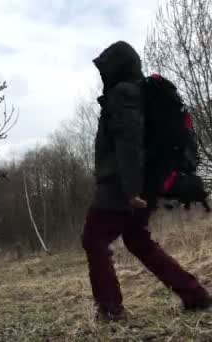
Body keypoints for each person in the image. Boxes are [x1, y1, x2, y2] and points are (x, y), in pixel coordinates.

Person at [82, 41, 211, 321]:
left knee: (93, 239)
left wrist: (131, 190)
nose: (102, 74)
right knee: (138, 241)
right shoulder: (137, 92)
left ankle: (110, 310)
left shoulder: (123, 94)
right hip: (141, 185)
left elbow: (129, 144)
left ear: (116, 67)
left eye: (105, 68)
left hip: (121, 187)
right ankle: (195, 294)